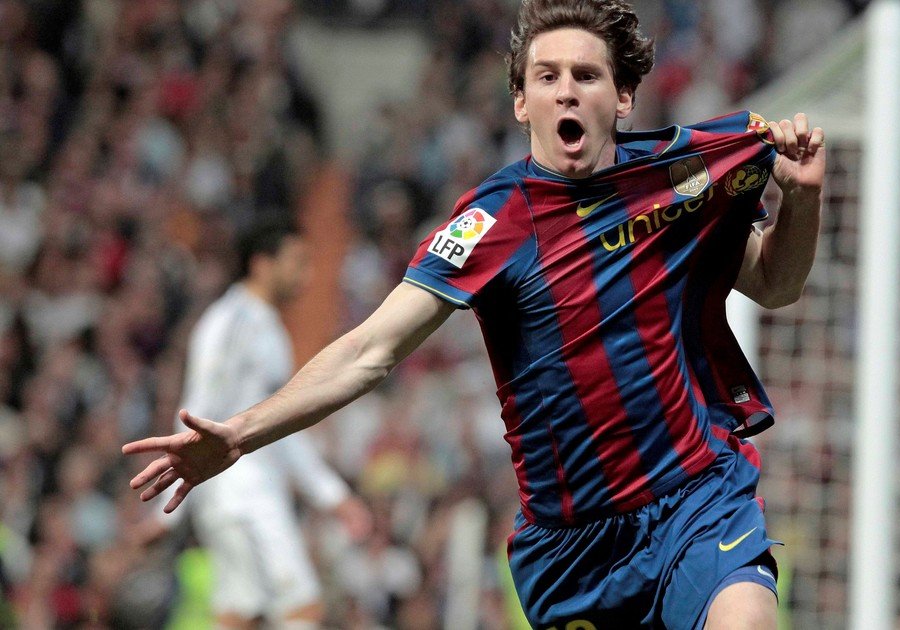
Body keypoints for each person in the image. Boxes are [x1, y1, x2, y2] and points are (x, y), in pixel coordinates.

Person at [123, 1, 825, 627]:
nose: (566, 90)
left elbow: (775, 283)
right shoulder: (492, 222)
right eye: (547, 76)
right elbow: (371, 350)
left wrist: (801, 200)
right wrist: (241, 434)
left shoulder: (676, 184)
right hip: (575, 548)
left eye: (586, 75)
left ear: (622, 96)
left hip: (696, 497)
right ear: (521, 102)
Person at [143, 222, 371, 630]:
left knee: (239, 615)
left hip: (240, 491)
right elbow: (197, 409)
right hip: (243, 491)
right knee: (301, 606)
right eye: (297, 262)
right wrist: (166, 513)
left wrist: (331, 495)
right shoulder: (232, 321)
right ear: (262, 264)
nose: (306, 275)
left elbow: (280, 429)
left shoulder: (265, 325)